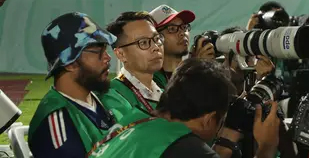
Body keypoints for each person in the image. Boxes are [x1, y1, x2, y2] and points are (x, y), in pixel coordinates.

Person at [86, 58, 281, 158]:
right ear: (208, 119)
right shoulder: (184, 147)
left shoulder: (128, 124)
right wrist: (267, 147)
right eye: (220, 122)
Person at [28, 12, 118, 158]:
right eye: (98, 51)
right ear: (70, 63)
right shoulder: (56, 124)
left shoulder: (94, 100)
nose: (107, 58)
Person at [100, 11, 165, 120]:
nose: (156, 47)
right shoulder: (112, 95)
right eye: (143, 42)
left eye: (157, 39)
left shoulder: (165, 93)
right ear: (121, 54)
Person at [149, 4, 214, 89]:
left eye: (184, 27)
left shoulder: (190, 69)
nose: (182, 33)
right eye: (172, 29)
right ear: (157, 38)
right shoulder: (151, 79)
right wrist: (198, 68)